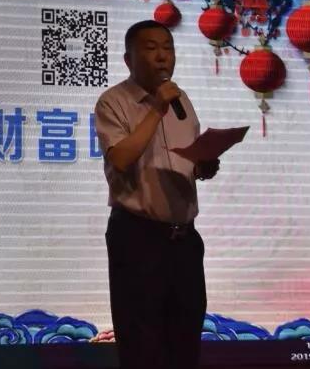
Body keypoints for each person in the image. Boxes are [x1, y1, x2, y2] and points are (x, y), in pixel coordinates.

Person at [94, 20, 220, 369]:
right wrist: (156, 110)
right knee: (141, 344)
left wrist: (203, 166)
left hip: (184, 240)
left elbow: (184, 161)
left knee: (185, 340)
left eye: (168, 48)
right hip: (138, 238)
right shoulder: (113, 102)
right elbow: (121, 159)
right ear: (128, 59)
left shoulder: (183, 101)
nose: (163, 56)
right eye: (151, 49)